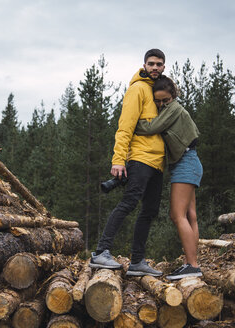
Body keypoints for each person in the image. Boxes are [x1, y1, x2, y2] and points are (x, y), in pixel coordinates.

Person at [89, 49, 166, 277]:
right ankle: (101, 252)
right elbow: (125, 127)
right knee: (129, 202)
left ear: (163, 67)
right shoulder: (138, 89)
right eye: (151, 63)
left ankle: (137, 261)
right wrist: (118, 160)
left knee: (150, 210)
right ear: (144, 65)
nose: (154, 67)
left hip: (158, 163)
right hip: (140, 158)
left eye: (159, 64)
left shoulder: (158, 92)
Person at [135, 75, 203, 280]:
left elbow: (151, 127)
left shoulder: (174, 109)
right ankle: (190, 263)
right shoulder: (172, 108)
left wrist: (131, 123)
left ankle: (192, 265)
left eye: (166, 100)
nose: (162, 104)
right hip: (190, 162)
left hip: (186, 164)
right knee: (190, 215)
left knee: (177, 215)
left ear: (173, 96)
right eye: (158, 101)